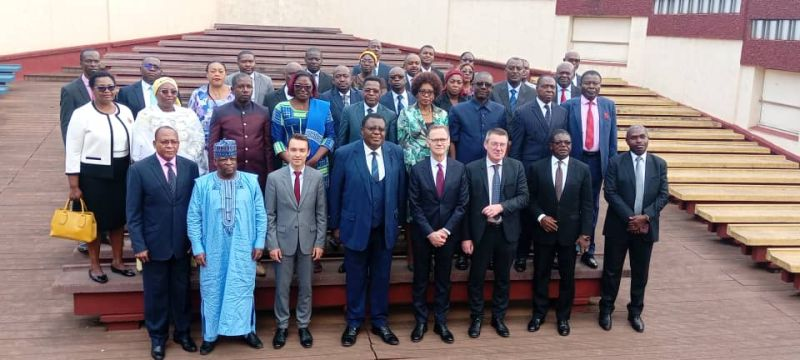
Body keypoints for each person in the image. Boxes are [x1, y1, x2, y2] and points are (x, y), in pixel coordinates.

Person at [329, 113, 406, 347]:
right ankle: (353, 321)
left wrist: (398, 220)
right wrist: (336, 226)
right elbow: (335, 192)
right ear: (362, 130)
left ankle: (380, 321)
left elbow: (401, 189)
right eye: (372, 128)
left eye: (381, 129)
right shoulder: (344, 154)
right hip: (354, 227)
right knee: (356, 277)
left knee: (382, 277)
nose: (377, 133)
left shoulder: (395, 152)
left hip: (385, 228)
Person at [187, 139, 267, 355]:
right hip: (212, 249)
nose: (229, 163)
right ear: (215, 161)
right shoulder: (202, 184)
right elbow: (193, 218)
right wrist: (197, 247)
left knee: (242, 288)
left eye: (232, 158)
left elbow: (261, 214)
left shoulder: (251, 182)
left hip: (243, 247)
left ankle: (247, 330)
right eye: (224, 159)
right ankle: (210, 335)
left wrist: (260, 242)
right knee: (212, 290)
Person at [126, 126, 200, 360]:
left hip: (182, 243)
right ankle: (157, 338)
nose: (170, 146)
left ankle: (183, 332)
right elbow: (133, 211)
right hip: (153, 245)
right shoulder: (139, 170)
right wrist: (139, 245)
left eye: (173, 142)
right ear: (155, 143)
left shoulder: (190, 167)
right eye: (164, 142)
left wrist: (194, 241)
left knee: (181, 291)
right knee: (156, 294)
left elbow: (195, 207)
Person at [65, 71, 135, 283]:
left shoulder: (125, 110)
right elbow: (73, 150)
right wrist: (74, 185)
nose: (107, 91)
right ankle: (94, 265)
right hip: (93, 172)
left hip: (122, 170)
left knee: (117, 220)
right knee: (93, 221)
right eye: (101, 88)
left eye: (110, 87)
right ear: (92, 90)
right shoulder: (81, 114)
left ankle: (117, 260)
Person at [599, 125, 669, 333]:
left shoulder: (659, 164)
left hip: (646, 228)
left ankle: (635, 312)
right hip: (619, 226)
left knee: (640, 272)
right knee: (612, 271)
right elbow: (609, 192)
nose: (638, 141)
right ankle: (606, 310)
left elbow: (663, 195)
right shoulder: (616, 162)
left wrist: (645, 217)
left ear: (648, 139)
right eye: (634, 138)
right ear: (627, 141)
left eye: (642, 137)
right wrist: (631, 218)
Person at [462, 128, 528, 339]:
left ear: (507, 145)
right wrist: (466, 236)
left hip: (506, 231)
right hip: (480, 232)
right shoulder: (472, 168)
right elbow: (464, 205)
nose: (498, 148)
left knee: (502, 278)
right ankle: (477, 317)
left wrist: (501, 206)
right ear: (486, 145)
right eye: (494, 144)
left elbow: (523, 197)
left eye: (502, 144)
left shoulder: (516, 166)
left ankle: (498, 317)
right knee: (477, 277)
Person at [526, 129, 592, 337]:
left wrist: (585, 234)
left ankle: (563, 317)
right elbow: (530, 198)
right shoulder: (537, 168)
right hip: (543, 231)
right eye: (559, 142)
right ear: (550, 145)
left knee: (567, 276)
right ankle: (539, 314)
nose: (563, 145)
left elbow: (587, 205)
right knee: (541, 274)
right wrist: (540, 217)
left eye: (567, 142)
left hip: (570, 234)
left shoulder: (582, 169)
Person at [265, 134, 327, 350]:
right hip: (283, 242)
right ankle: (281, 326)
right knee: (282, 287)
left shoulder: (316, 177)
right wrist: (272, 244)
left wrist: (320, 242)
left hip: (309, 242)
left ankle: (303, 325)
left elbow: (321, 213)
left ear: (308, 152)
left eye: (302, 150)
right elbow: (269, 214)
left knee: (305, 287)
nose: (298, 154)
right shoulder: (274, 178)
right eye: (294, 150)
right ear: (287, 152)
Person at [408, 125, 468, 344]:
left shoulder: (459, 168)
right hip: (424, 234)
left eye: (443, 139)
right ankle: (421, 321)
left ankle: (441, 321)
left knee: (444, 280)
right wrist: (430, 232)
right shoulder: (417, 169)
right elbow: (414, 206)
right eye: (435, 140)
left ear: (448, 140)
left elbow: (462, 204)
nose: (439, 143)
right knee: (421, 279)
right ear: (428, 142)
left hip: (448, 234)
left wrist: (445, 230)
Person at [448, 72, 506, 271]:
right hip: (465, 166)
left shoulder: (500, 111)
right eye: (479, 83)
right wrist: (455, 167)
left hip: (490, 168)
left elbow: (504, 141)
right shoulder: (458, 110)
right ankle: (463, 252)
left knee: (488, 207)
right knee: (464, 208)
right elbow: (453, 141)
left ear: (492, 88)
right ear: (472, 86)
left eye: (487, 84)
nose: (483, 87)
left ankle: (486, 253)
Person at [510, 75, 568, 272]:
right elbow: (517, 146)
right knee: (527, 214)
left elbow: (563, 142)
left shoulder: (562, 112)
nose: (550, 90)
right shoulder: (523, 112)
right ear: (537, 88)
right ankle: (521, 255)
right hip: (529, 171)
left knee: (551, 210)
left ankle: (550, 255)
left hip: (554, 171)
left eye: (553, 87)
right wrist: (517, 172)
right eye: (545, 87)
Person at [564, 70, 618, 269]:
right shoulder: (569, 105)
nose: (592, 86)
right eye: (588, 83)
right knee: (570, 204)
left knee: (592, 205)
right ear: (581, 84)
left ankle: (589, 250)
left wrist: (612, 167)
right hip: (575, 161)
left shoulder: (608, 106)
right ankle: (569, 247)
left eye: (596, 83)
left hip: (597, 163)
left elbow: (612, 139)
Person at [208, 73, 274, 191]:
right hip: (229, 171)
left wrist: (270, 173)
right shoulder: (220, 112)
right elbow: (213, 145)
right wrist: (214, 173)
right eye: (241, 87)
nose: (245, 90)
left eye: (249, 87)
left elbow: (268, 146)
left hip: (258, 172)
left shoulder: (263, 112)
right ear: (232, 90)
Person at [272, 72, 335, 187]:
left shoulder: (323, 107)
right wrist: (294, 163)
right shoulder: (281, 108)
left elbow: (330, 137)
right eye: (298, 86)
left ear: (313, 88)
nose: (303, 89)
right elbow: (277, 141)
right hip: (289, 164)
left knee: (318, 200)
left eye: (307, 87)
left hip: (318, 165)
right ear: (292, 86)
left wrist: (313, 160)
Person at [131, 77, 206, 173]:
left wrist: (183, 162)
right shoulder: (145, 115)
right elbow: (141, 144)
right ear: (155, 93)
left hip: (186, 167)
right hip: (155, 169)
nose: (169, 95)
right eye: (164, 92)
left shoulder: (188, 114)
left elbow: (198, 140)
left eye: (173, 92)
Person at [397, 72, 448, 171]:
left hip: (437, 164)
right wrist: (411, 165)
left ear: (435, 93)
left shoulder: (443, 114)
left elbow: (445, 141)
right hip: (414, 164)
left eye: (430, 92)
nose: (426, 95)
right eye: (422, 91)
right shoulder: (406, 113)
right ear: (416, 93)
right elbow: (403, 142)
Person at [338, 76, 397, 146]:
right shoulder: (349, 111)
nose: (371, 93)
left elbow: (391, 144)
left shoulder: (390, 115)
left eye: (375, 91)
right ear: (362, 91)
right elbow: (342, 141)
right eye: (367, 90)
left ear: (381, 93)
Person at [60, 48, 100, 144]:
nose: (93, 64)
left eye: (96, 61)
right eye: (89, 61)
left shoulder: (108, 87)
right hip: (83, 142)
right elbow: (66, 123)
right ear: (81, 63)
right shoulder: (70, 90)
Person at [188, 61, 234, 143]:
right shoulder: (198, 94)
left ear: (225, 74)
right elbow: (189, 119)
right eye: (213, 71)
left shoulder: (234, 93)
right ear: (207, 74)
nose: (217, 74)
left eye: (220, 71)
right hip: (203, 143)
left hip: (230, 144)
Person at [319, 65, 363, 138]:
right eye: (338, 76)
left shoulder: (361, 96)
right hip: (335, 142)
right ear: (333, 80)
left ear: (351, 79)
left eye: (345, 76)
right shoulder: (325, 97)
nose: (342, 79)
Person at [491, 57, 536, 129]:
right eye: (511, 68)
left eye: (518, 69)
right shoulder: (494, 90)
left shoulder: (533, 93)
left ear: (523, 72)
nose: (515, 71)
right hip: (499, 135)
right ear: (505, 71)